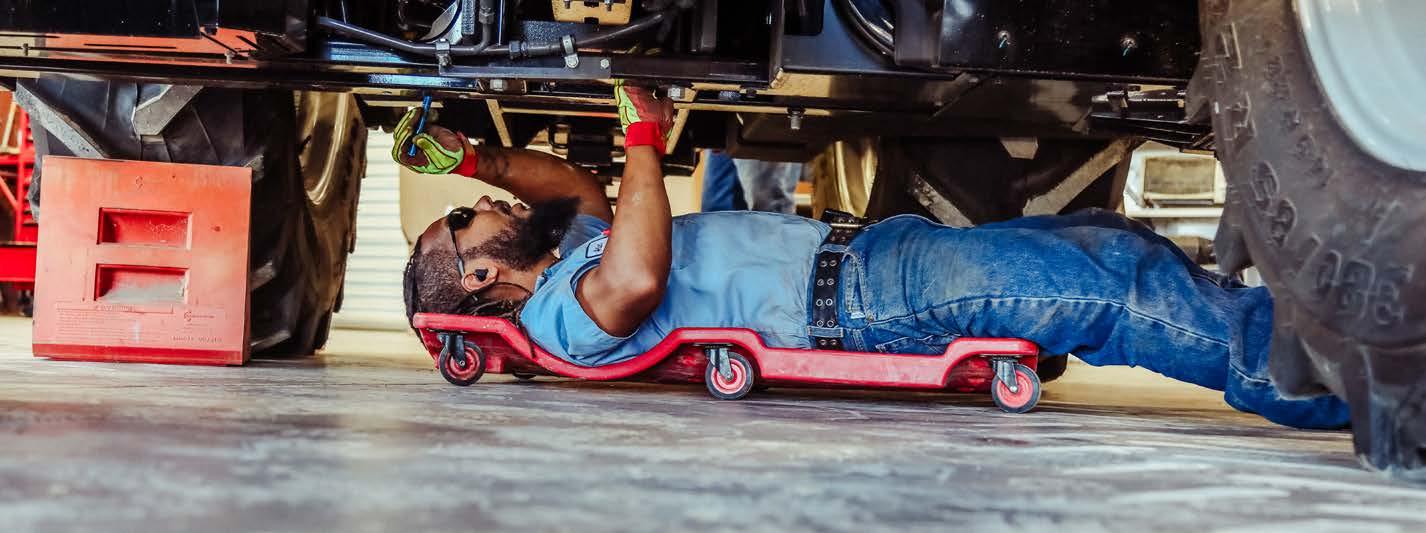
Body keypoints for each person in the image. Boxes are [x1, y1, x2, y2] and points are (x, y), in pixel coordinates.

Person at [397, 83, 1349, 430]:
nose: (485, 210)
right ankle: (1347, 380)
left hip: (870, 258)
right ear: (477, 277)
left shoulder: (563, 262)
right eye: (465, 219)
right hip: (865, 301)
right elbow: (640, 275)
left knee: (1108, 244)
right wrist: (645, 133)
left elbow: (575, 190)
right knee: (1108, 291)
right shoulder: (556, 319)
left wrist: (476, 158)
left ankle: (1328, 349)